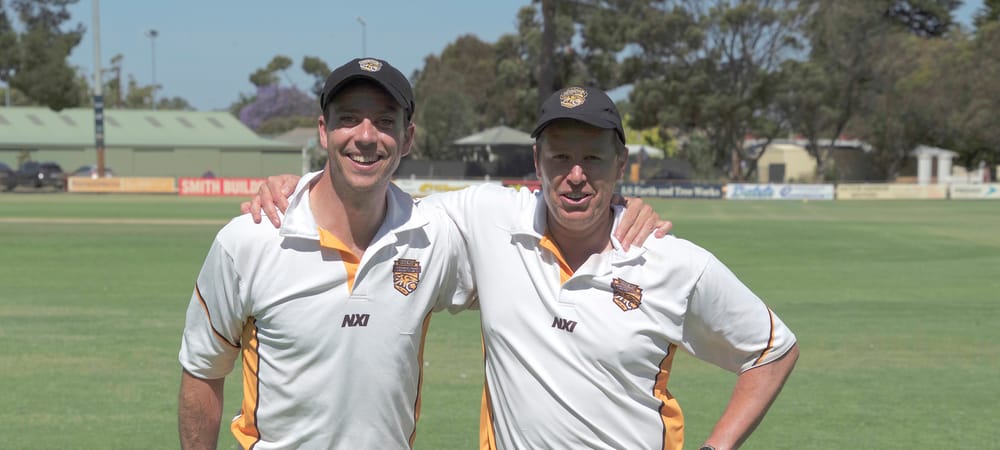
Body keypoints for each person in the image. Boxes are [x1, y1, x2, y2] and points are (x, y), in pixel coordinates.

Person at [249, 86, 799, 450]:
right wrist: (297, 190)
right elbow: (371, 197)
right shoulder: (490, 218)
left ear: (621, 165)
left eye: (593, 158)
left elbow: (773, 349)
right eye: (560, 156)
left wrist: (716, 447)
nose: (576, 175)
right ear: (536, 162)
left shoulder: (670, 261)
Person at [179, 59, 667, 450]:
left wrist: (616, 209)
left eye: (385, 121)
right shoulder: (251, 238)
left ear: (408, 138)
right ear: (323, 132)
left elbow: (551, 219)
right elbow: (202, 371)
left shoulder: (435, 232)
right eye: (348, 119)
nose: (366, 136)